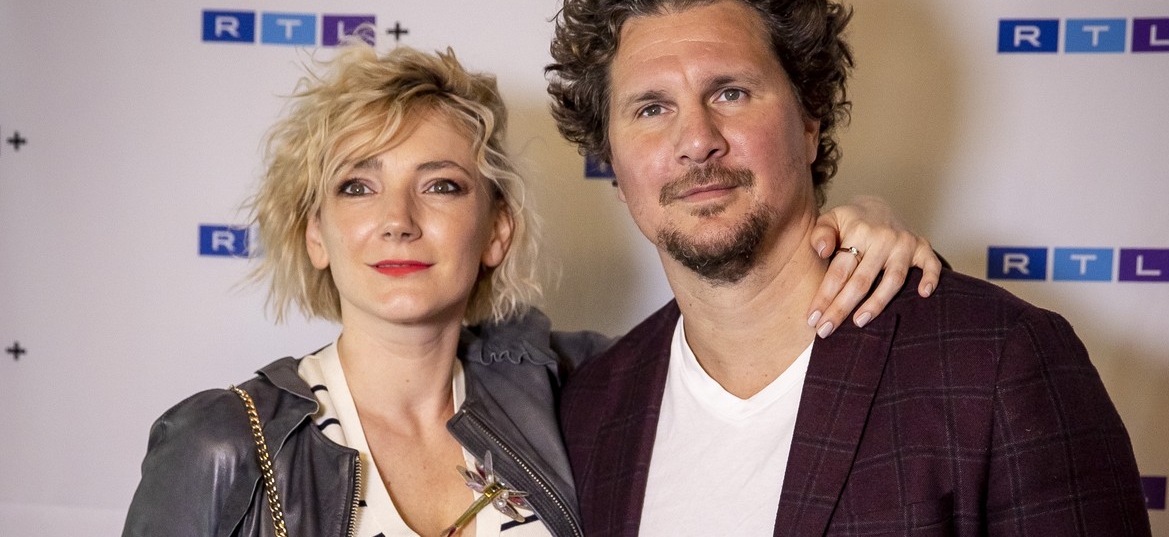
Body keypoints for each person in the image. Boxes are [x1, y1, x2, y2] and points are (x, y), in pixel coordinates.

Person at [123, 41, 940, 537]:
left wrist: (852, 227)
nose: (398, 221)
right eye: (358, 188)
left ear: (497, 232)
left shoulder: (568, 388)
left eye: (441, 186)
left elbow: (746, 333)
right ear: (315, 234)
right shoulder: (221, 444)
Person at [547, 0, 1152, 536]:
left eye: (731, 93)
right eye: (651, 108)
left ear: (809, 122)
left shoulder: (998, 362)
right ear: (611, 157)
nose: (697, 140)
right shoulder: (592, 411)